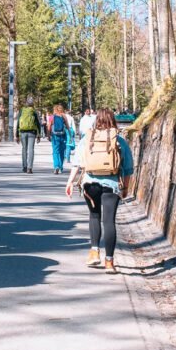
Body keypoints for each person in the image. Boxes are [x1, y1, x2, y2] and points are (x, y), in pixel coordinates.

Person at [64, 108, 134, 274]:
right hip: (112, 184)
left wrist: (70, 183)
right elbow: (128, 168)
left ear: (97, 121)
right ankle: (109, 262)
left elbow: (77, 164)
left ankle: (94, 252)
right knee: (109, 221)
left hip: (90, 183)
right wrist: (125, 187)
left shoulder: (87, 139)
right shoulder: (119, 140)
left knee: (94, 215)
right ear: (113, 121)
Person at [15, 96, 40, 174]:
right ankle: (30, 168)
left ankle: (24, 167)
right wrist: (38, 135)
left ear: (26, 103)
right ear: (32, 104)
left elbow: (18, 122)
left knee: (24, 149)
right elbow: (38, 123)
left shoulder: (22, 110)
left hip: (22, 132)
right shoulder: (34, 111)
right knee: (31, 150)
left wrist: (17, 135)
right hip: (32, 132)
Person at [49, 104, 74, 175]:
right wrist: (70, 135)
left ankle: (56, 166)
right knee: (62, 151)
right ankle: (60, 167)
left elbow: (49, 126)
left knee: (55, 151)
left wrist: (48, 135)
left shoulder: (52, 116)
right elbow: (67, 126)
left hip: (55, 135)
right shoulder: (63, 116)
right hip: (63, 135)